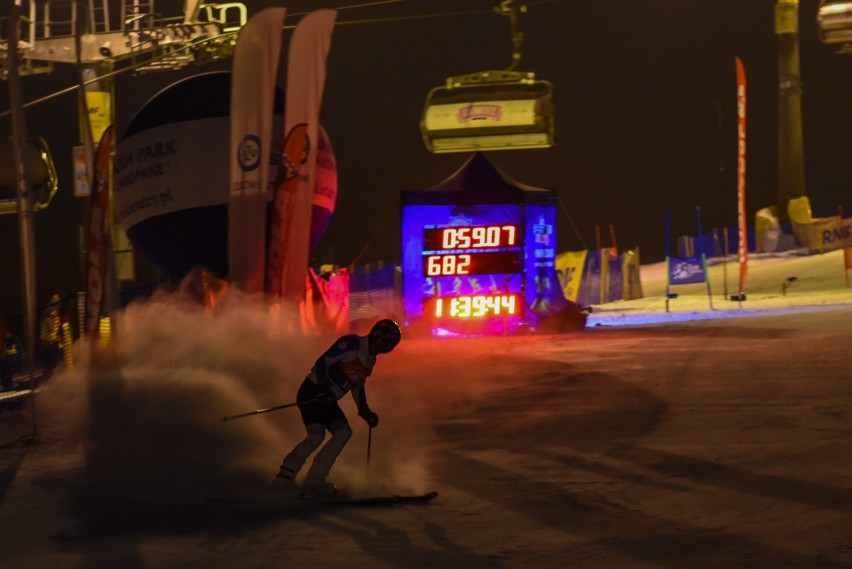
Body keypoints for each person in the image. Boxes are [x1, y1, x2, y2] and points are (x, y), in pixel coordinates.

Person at [275, 318, 401, 497]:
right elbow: (322, 362)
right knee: (316, 435)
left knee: (343, 432)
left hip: (328, 399)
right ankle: (284, 478)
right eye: (383, 342)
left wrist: (364, 410)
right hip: (313, 391)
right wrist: (325, 386)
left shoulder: (370, 360)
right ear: (375, 335)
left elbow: (357, 385)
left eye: (389, 345)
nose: (383, 348)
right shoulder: (353, 344)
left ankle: (315, 479)